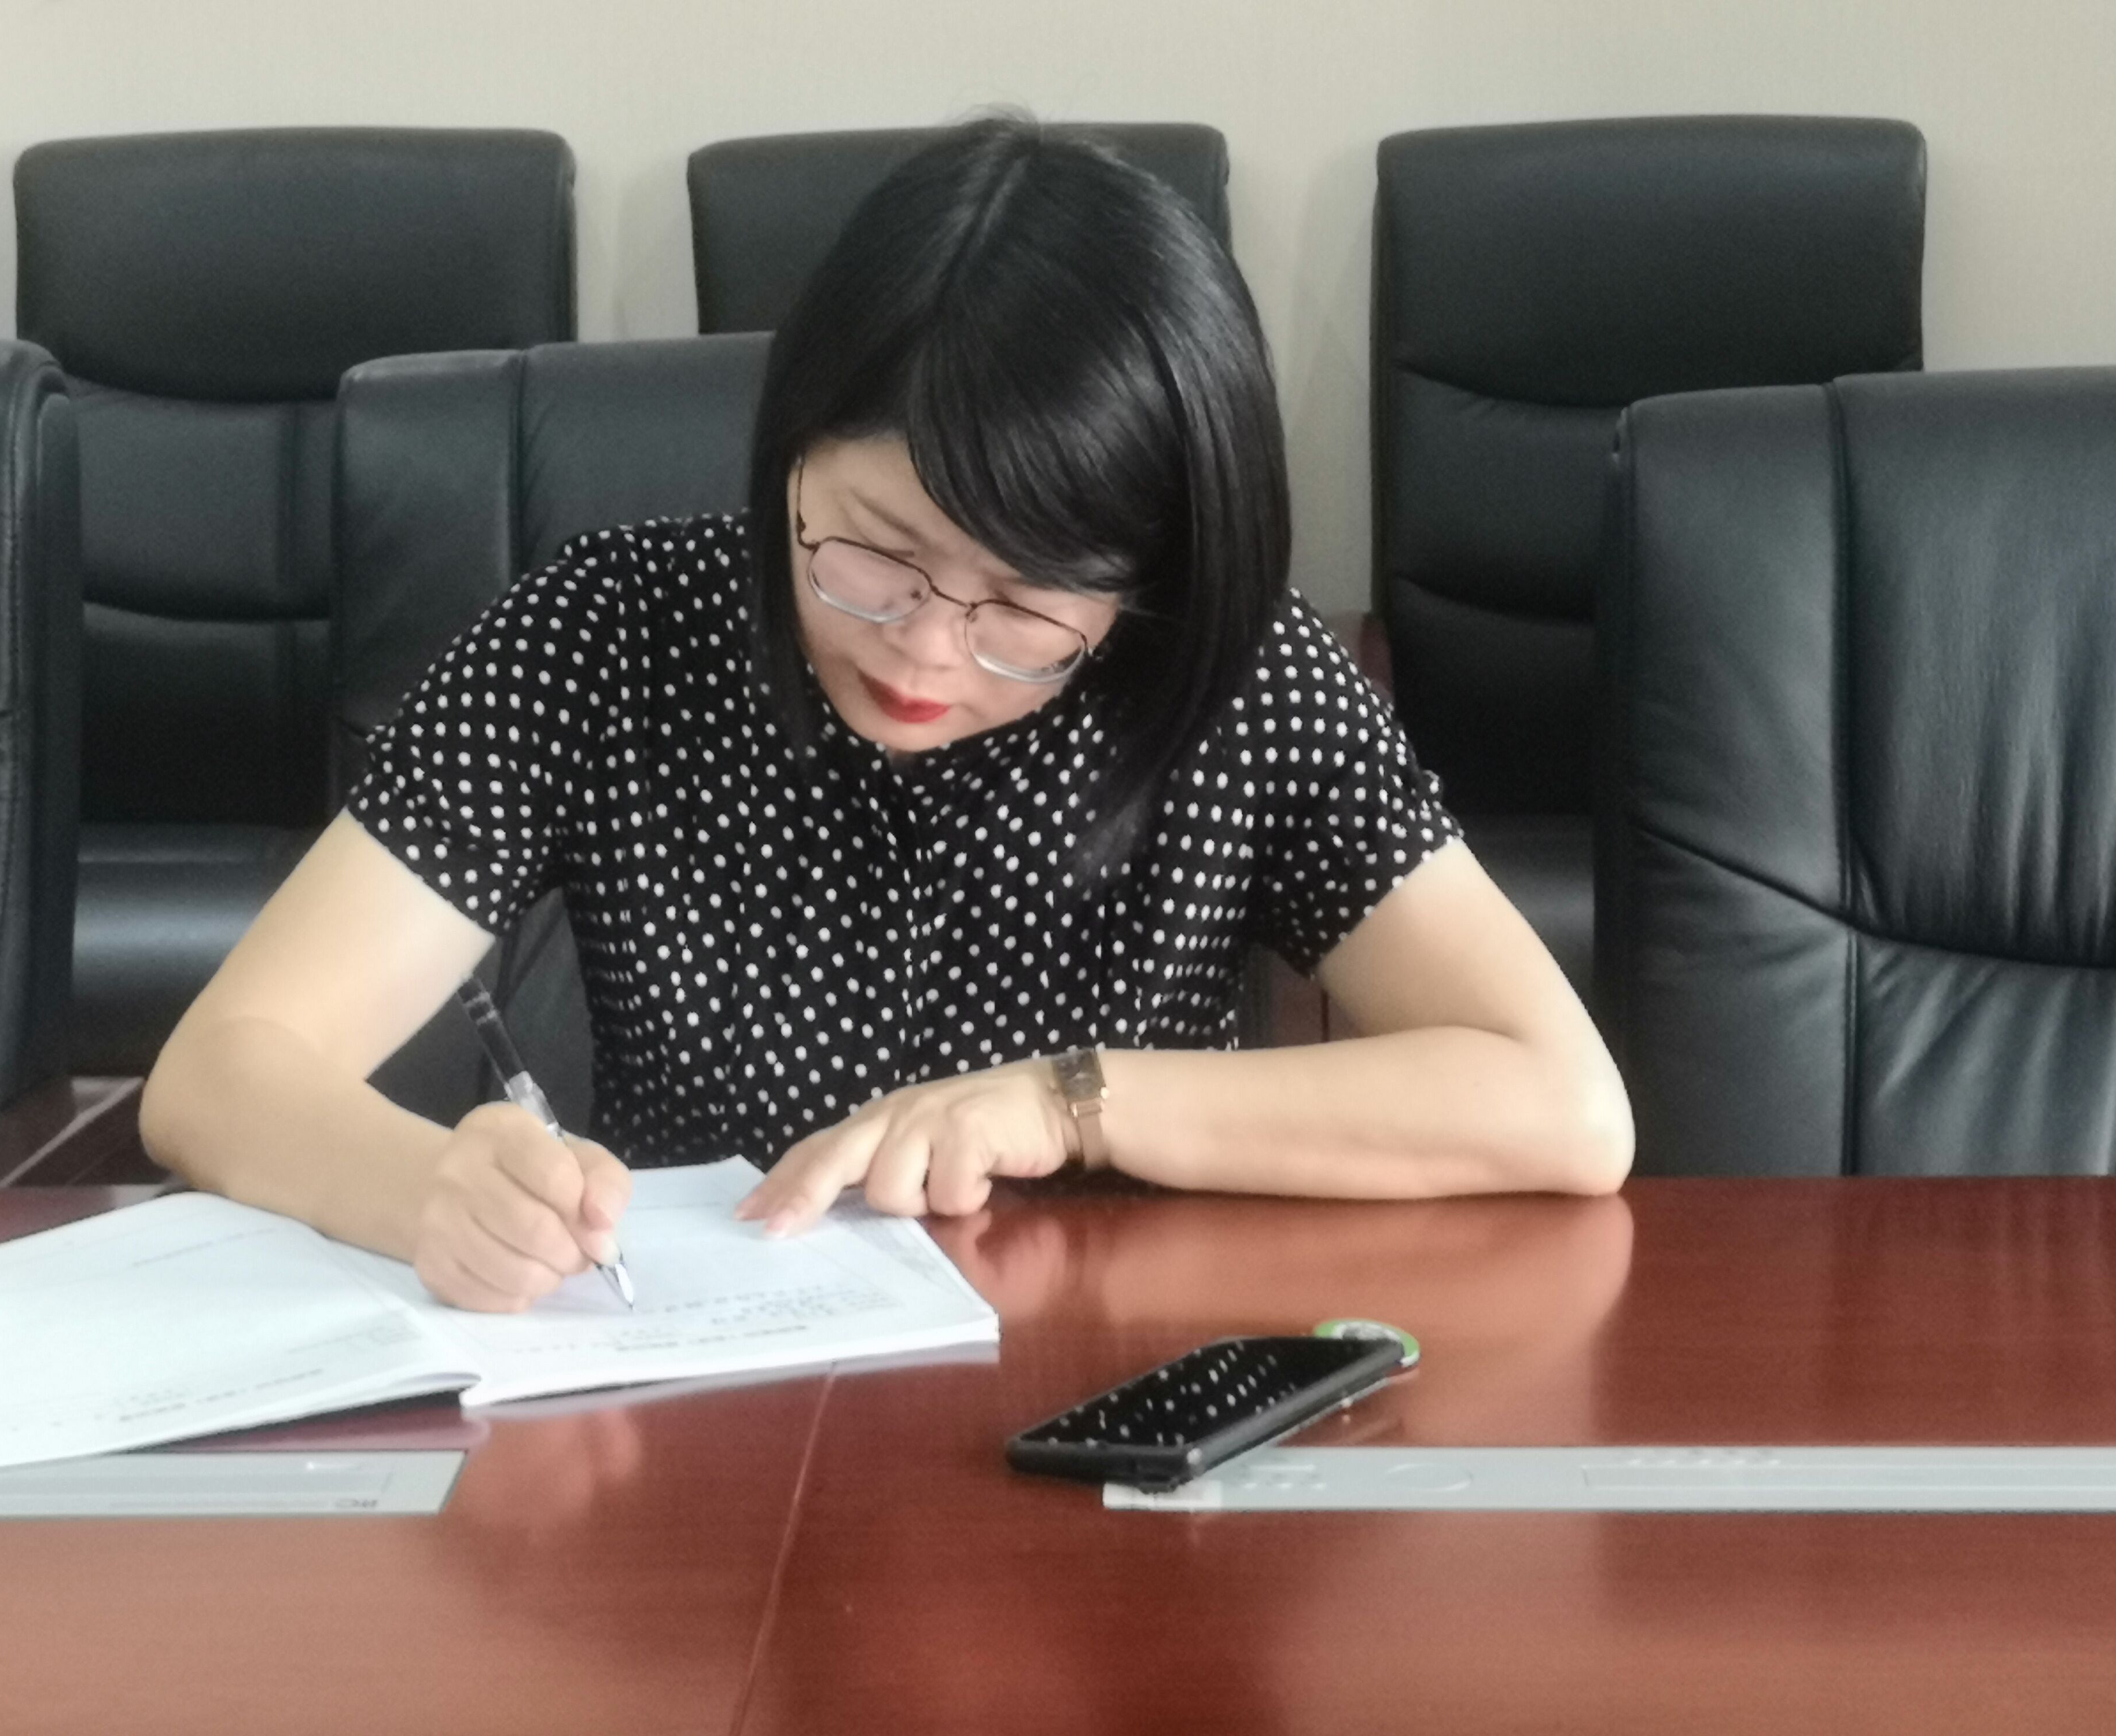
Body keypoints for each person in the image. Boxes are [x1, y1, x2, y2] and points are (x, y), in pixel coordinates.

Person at [141, 117, 1632, 1314]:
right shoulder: (603, 634)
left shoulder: (1234, 677)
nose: (927, 648)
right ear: (790, 452)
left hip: (1119, 1397)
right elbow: (219, 1072)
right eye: (874, 554)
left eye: (1026, 605)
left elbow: (1564, 1106)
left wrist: (1067, 1102)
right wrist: (426, 1189)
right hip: (714, 1408)